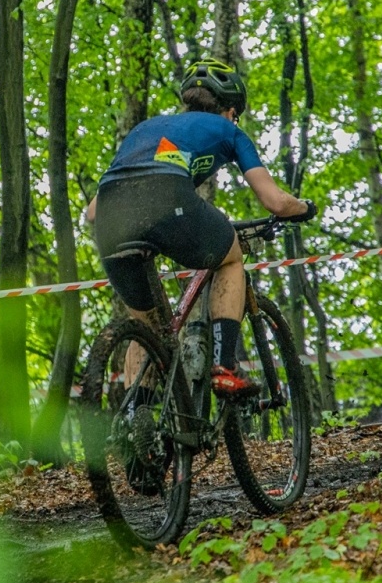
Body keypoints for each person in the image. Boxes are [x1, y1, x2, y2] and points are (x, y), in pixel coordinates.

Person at [85, 60, 315, 397]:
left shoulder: (146, 129)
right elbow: (275, 202)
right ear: (230, 110)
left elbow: (92, 211)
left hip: (110, 216)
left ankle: (138, 425)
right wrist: (306, 208)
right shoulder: (228, 130)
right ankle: (224, 367)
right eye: (235, 116)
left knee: (148, 329)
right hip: (169, 200)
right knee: (230, 258)